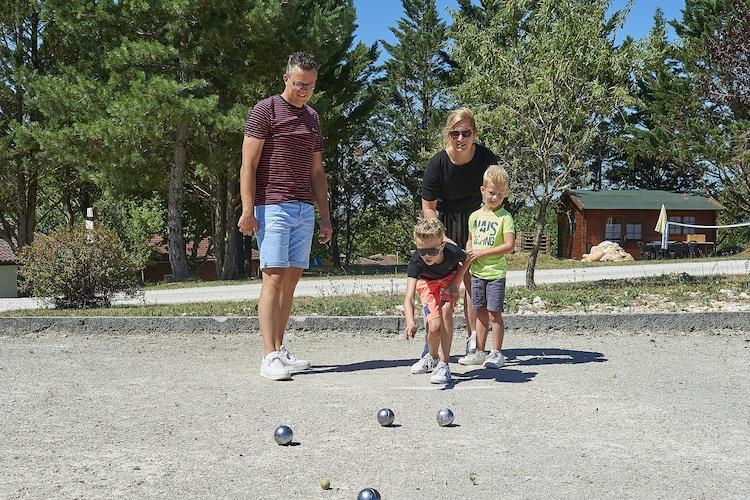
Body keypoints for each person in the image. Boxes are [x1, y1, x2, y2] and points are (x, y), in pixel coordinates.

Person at [238, 52, 333, 381]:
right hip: (272, 205)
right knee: (273, 277)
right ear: (286, 79)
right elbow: (248, 164)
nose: (304, 90)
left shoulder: (312, 118)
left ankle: (279, 350)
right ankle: (268, 356)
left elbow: (317, 171)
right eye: (299, 84)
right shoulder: (265, 110)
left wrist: (325, 215)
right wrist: (248, 209)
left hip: (304, 208)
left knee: (290, 281)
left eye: (310, 85)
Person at [421, 108, 499, 353]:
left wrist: (487, 229)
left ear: (474, 133)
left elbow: (496, 195)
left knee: (472, 282)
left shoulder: (487, 159)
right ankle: (432, 344)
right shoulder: (438, 163)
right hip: (445, 223)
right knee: (439, 282)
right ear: (448, 134)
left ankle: (473, 339)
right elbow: (428, 208)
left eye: (466, 133)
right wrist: (443, 237)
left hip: (478, 221)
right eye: (455, 133)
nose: (460, 139)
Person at [458, 165, 515, 369]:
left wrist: (482, 253)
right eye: (491, 193)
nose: (495, 197)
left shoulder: (505, 217)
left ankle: (497, 352)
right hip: (477, 273)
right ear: (483, 190)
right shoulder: (474, 216)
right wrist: (469, 250)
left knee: (494, 313)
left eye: (500, 193)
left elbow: (509, 245)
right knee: (480, 312)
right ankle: (479, 352)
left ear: (505, 193)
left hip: (495, 273)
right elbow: (470, 239)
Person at [403, 218, 471, 385]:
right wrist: (410, 322)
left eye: (432, 251)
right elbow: (409, 297)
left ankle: (443, 364)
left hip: (448, 280)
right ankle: (432, 357)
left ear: (442, 245)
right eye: (422, 251)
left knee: (446, 310)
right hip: (427, 284)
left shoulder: (452, 252)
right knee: (434, 328)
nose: (427, 256)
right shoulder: (416, 262)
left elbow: (467, 259)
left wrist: (455, 284)